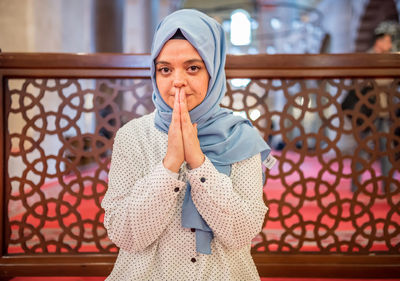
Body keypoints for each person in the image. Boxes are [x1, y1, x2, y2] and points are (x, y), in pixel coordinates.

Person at [101, 9, 276, 281]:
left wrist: (199, 162)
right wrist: (170, 164)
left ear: (214, 70)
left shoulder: (239, 137)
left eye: (193, 67)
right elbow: (124, 235)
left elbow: (241, 233)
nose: (178, 81)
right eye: (165, 69)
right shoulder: (133, 136)